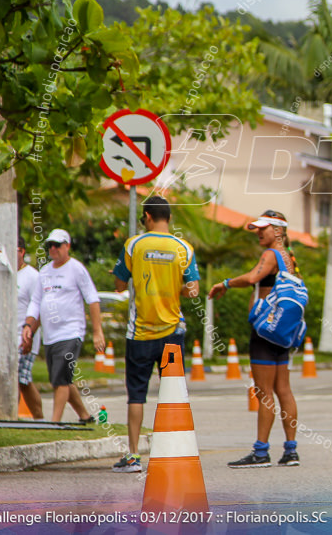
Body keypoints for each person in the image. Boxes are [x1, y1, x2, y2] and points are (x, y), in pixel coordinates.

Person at [111, 195, 200, 472]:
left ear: (147, 217)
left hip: (139, 334)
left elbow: (118, 284)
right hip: (173, 333)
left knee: (136, 395)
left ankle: (134, 456)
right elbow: (192, 289)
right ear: (169, 218)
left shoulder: (134, 244)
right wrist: (177, 287)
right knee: (172, 394)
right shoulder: (184, 247)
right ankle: (171, 454)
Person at [209, 210, 302, 469]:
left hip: (265, 330)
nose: (259, 233)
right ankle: (291, 450)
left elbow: (252, 278)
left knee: (264, 392)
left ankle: (261, 452)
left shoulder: (271, 255)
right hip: (283, 331)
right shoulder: (290, 257)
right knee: (283, 389)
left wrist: (224, 283)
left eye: (264, 228)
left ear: (278, 231)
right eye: (258, 229)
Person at [21, 229, 103, 423]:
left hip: (71, 332)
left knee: (60, 379)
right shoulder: (45, 272)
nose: (53, 248)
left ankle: (54, 422)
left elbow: (92, 299)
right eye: (50, 245)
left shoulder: (76, 269)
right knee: (61, 378)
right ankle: (84, 415)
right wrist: (29, 327)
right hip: (51, 335)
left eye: (57, 245)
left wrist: (97, 331)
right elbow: (36, 302)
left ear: (67, 246)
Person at [16, 236, 44, 419]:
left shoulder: (33, 276)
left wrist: (30, 334)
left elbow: (40, 309)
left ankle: (39, 418)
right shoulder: (6, 273)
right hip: (7, 337)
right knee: (12, 380)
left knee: (22, 379)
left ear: (22, 251)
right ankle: (8, 417)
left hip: (25, 337)